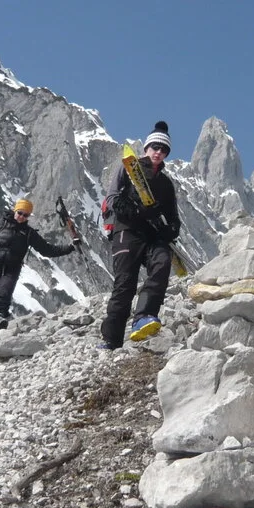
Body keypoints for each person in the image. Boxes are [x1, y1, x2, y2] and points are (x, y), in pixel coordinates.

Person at [99, 121, 181, 349]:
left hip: (153, 235)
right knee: (125, 284)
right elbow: (113, 198)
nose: (158, 152)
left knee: (162, 263)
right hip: (127, 231)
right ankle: (112, 339)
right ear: (146, 148)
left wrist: (171, 229)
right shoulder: (128, 168)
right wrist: (134, 210)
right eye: (155, 147)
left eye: (164, 149)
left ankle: (143, 317)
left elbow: (173, 216)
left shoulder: (166, 184)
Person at [0, 198, 79, 331]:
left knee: (4, 296)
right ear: (15, 211)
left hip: (12, 267)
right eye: (20, 213)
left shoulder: (29, 234)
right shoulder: (1, 224)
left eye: (25, 215)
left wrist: (71, 247)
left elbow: (47, 250)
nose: (21, 217)